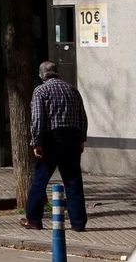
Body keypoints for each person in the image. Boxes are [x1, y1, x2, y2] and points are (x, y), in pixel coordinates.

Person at [24, 61, 89, 232]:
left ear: (41, 75)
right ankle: (78, 223)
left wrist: (36, 142)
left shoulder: (40, 90)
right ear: (56, 72)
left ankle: (33, 219)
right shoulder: (72, 90)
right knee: (73, 181)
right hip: (72, 138)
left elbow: (38, 119)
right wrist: (81, 139)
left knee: (40, 180)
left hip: (51, 139)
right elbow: (82, 116)